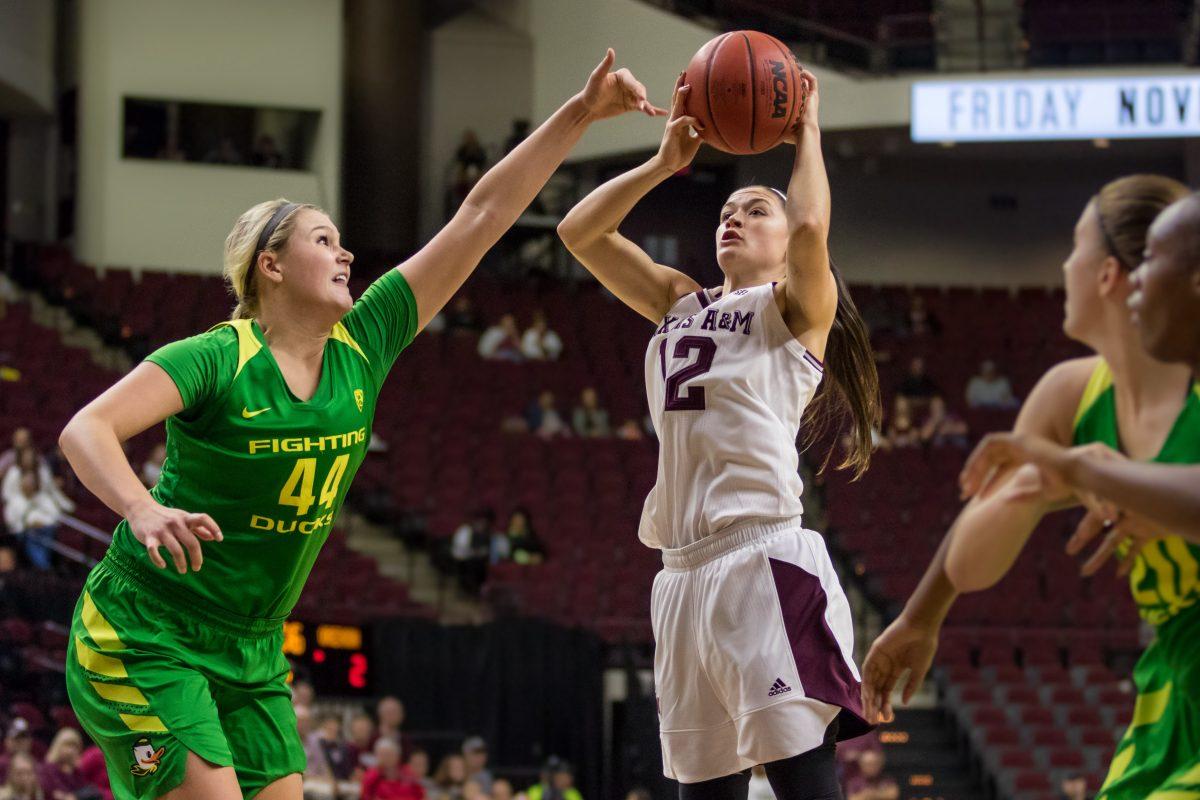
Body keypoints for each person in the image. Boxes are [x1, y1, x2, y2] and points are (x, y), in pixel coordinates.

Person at [57, 50, 662, 800]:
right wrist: (141, 508)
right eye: (322, 239)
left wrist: (580, 112)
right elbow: (87, 429)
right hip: (144, 628)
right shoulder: (216, 357)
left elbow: (482, 216)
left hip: (251, 644)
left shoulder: (366, 343)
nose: (345, 250)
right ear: (269, 267)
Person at [559, 71, 878, 799]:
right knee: (705, 792)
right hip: (679, 574)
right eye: (726, 209)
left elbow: (810, 229)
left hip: (762, 556)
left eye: (754, 210)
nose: (732, 218)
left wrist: (810, 135)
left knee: (802, 780)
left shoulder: (796, 305)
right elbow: (579, 232)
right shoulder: (678, 302)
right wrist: (662, 164)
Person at [860, 175, 1197, 800]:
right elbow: (974, 551)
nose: (1063, 264)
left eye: (1075, 245)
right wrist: (921, 614)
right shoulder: (1072, 395)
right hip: (1171, 690)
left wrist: (1092, 472)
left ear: (1108, 275)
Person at [4, 471, 64, 570]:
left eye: (32, 483)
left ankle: (45, 567)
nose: (29, 485)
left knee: (46, 534)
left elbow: (55, 516)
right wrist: (28, 525)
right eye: (27, 482)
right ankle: (43, 567)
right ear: (21, 484)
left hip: (44, 530)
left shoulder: (43, 498)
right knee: (33, 537)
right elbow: (11, 522)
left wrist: (42, 523)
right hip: (22, 532)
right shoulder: (14, 501)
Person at [37, 728, 91, 800]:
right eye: (67, 745)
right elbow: (54, 794)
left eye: (75, 746)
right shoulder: (47, 769)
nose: (70, 751)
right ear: (58, 746)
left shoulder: (77, 772)